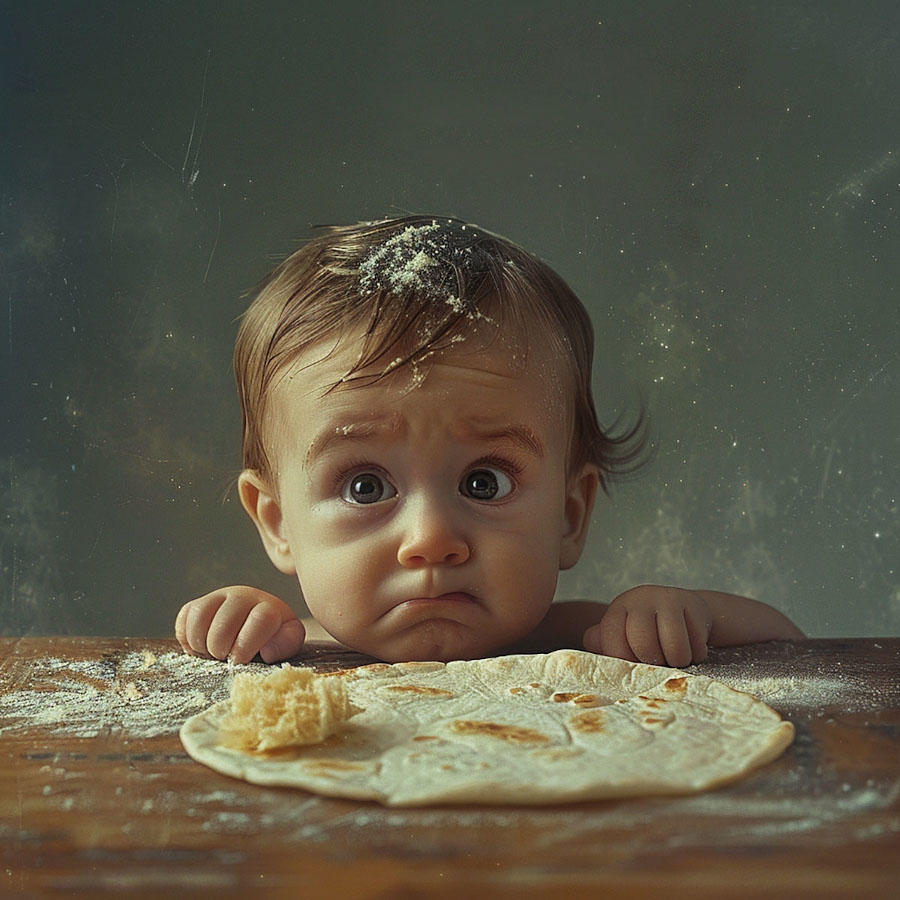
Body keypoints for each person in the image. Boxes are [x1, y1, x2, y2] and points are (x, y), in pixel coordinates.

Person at [175, 215, 805, 667]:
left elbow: (787, 645)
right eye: (365, 486)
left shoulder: (580, 641)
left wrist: (681, 615)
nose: (431, 541)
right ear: (279, 522)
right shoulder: (292, 651)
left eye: (485, 482)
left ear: (569, 513)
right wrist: (232, 629)